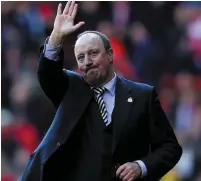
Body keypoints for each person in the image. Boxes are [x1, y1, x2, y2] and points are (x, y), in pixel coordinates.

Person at [19, 1, 182, 181]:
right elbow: (48, 73)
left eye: (93, 53)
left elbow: (170, 148)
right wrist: (56, 37)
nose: (87, 61)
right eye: (81, 57)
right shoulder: (72, 88)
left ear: (110, 55)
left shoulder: (142, 96)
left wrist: (140, 166)